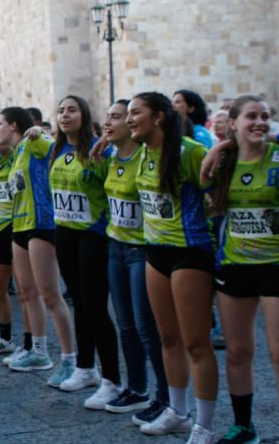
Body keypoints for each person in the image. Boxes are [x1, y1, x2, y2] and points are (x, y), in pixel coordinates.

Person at [205, 96, 279, 444]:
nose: (260, 122)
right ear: (232, 122)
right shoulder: (223, 163)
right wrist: (224, 147)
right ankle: (244, 427)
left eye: (265, 117)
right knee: (238, 351)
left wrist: (273, 135)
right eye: (251, 117)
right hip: (235, 265)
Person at [127, 92, 217, 442]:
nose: (131, 119)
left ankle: (205, 426)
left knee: (196, 342)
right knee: (167, 337)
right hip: (155, 252)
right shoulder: (141, 153)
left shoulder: (190, 152)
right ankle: (178, 412)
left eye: (137, 113)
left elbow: (216, 195)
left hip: (190, 252)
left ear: (159, 118)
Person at [46, 96, 121, 407]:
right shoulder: (56, 149)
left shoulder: (100, 149)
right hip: (64, 232)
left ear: (85, 115)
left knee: (95, 306)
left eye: (72, 110)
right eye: (61, 110)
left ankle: (112, 379)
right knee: (78, 301)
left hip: (94, 234)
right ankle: (85, 367)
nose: (65, 115)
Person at [99, 100, 169, 425]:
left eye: (120, 116)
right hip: (116, 247)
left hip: (142, 250)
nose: (111, 122)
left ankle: (164, 396)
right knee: (125, 324)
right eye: (111, 116)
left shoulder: (147, 156)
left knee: (146, 327)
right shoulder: (111, 157)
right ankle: (137, 388)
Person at [0, 107, 77, 385]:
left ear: (15, 126)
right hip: (19, 225)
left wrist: (41, 131)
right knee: (27, 292)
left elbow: (61, 150)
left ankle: (70, 359)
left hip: (41, 224)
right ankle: (39, 352)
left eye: (0, 124)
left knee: (50, 294)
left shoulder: (33, 142)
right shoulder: (16, 152)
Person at [0, 119, 21, 359]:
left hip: (19, 225)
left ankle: (31, 344)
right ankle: (5, 338)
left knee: (25, 290)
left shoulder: (18, 156)